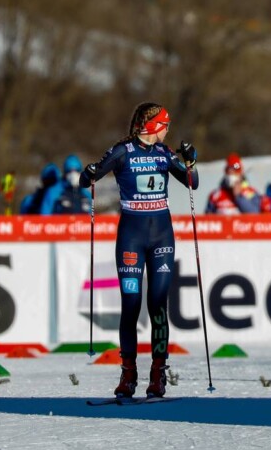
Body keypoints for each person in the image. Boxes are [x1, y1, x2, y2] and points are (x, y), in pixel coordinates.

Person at [79, 102, 198, 399]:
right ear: (154, 126)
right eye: (165, 125)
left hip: (161, 238)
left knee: (158, 303)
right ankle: (128, 373)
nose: (167, 130)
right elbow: (88, 179)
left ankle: (158, 374)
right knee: (131, 304)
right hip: (131, 238)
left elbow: (192, 183)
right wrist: (89, 172)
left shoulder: (164, 153)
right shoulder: (123, 151)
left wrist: (190, 162)